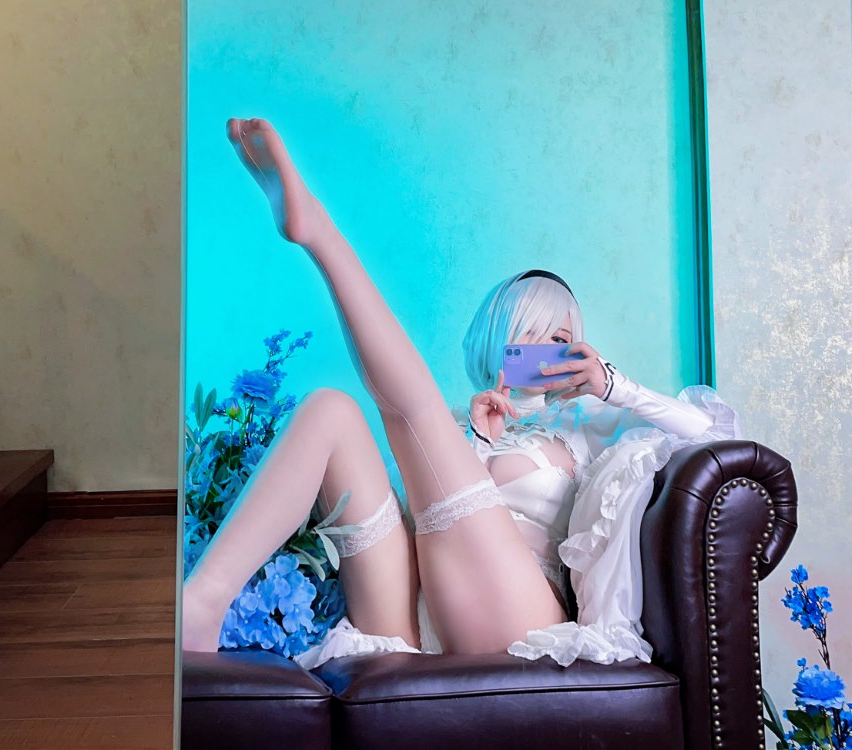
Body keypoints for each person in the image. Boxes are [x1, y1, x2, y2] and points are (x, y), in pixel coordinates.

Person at [180, 117, 730, 663]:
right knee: (332, 410)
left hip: (522, 620)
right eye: (531, 333)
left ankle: (320, 234)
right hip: (416, 615)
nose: (547, 349)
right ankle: (202, 604)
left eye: (562, 340)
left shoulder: (585, 425)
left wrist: (613, 385)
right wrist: (478, 443)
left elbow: (714, 434)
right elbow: (420, 531)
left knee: (415, 413)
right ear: (498, 338)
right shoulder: (459, 425)